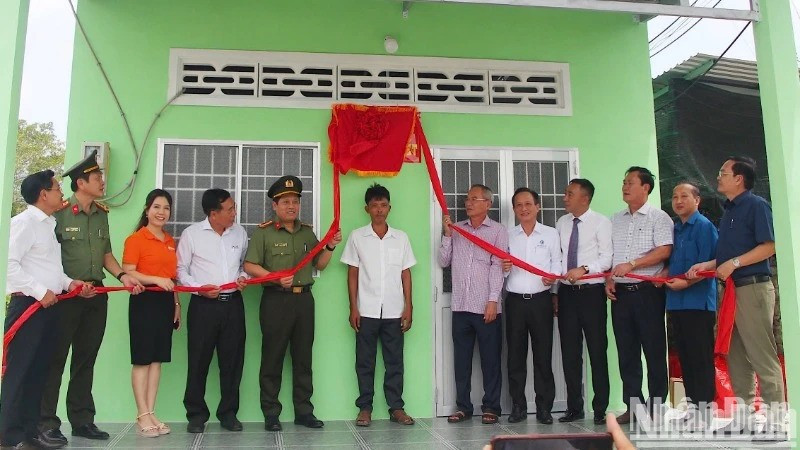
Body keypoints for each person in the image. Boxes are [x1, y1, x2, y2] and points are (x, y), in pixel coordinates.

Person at [39, 151, 144, 447]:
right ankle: (47, 423)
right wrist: (71, 284)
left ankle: (82, 420)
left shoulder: (101, 214)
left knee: (86, 359)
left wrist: (123, 276)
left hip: (96, 295)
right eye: (97, 177)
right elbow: (48, 259)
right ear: (81, 183)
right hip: (66, 296)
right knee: (56, 360)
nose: (102, 182)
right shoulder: (58, 214)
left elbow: (106, 254)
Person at [243, 175, 342, 432]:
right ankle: (271, 414)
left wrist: (330, 246)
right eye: (285, 202)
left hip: (304, 301)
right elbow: (250, 265)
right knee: (272, 358)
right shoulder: (264, 233)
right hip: (275, 301)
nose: (291, 206)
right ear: (274, 206)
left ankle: (304, 412)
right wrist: (274, 277)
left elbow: (320, 264)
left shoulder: (307, 232)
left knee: (303, 358)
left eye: (295, 201)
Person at [688, 157, 784, 415]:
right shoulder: (729, 210)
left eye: (723, 172)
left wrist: (735, 263)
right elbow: (729, 255)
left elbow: (769, 246)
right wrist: (707, 264)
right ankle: (744, 416)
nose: (718, 177)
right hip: (731, 290)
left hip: (753, 288)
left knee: (761, 354)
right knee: (736, 354)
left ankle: (776, 418)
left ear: (739, 179)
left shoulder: (756, 206)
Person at [2, 170, 89, 450]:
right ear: (43, 194)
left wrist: (69, 283)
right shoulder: (24, 223)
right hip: (28, 307)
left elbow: (50, 270)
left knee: (40, 370)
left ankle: (31, 431)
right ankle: (9, 435)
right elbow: (8, 265)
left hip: (49, 306)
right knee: (20, 370)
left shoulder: (49, 225)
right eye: (56, 188)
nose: (61, 192)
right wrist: (40, 291)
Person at [340, 183, 416, 427]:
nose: (379, 210)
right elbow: (352, 273)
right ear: (367, 209)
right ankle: (365, 408)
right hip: (366, 309)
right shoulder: (357, 237)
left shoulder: (401, 238)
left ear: (389, 208)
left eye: (383, 205)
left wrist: (409, 306)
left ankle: (396, 408)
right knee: (365, 362)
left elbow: (405, 273)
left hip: (394, 309)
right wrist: (353, 307)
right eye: (375, 205)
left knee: (395, 362)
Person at [177, 189, 249, 433]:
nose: (234, 213)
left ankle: (228, 414)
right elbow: (180, 270)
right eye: (230, 209)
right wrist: (199, 289)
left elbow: (244, 265)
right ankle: (196, 415)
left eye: (234, 207)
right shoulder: (192, 234)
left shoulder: (239, 232)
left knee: (232, 362)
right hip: (203, 307)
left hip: (233, 305)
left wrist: (243, 277)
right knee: (198, 360)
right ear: (213, 213)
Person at [605, 166, 673, 424]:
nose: (625, 187)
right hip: (620, 295)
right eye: (624, 182)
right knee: (627, 352)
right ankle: (633, 406)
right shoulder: (616, 219)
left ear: (645, 187)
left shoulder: (659, 217)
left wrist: (633, 264)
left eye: (630, 182)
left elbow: (664, 250)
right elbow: (611, 255)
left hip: (648, 293)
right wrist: (609, 279)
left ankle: (656, 406)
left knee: (654, 350)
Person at [438, 184, 508, 425]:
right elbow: (443, 261)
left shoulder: (497, 231)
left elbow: (498, 267)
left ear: (488, 204)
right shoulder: (457, 229)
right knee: (462, 361)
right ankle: (463, 407)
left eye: (474, 199)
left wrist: (493, 300)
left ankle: (492, 407)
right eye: (467, 199)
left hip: (486, 306)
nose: (468, 203)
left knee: (490, 360)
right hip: (460, 306)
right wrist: (447, 234)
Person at [121, 189, 180, 438]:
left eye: (166, 208)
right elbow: (128, 271)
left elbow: (172, 278)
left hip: (165, 303)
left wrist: (176, 304)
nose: (161, 212)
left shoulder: (170, 241)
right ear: (147, 210)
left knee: (157, 360)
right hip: (144, 301)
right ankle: (142, 414)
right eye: (157, 207)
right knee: (143, 359)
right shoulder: (136, 239)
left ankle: (151, 412)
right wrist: (155, 279)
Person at [501, 188, 561, 425]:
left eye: (528, 204)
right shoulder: (508, 235)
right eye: (518, 205)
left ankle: (544, 408)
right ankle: (518, 407)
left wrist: (553, 278)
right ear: (514, 209)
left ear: (538, 206)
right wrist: (504, 269)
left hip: (541, 301)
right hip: (515, 301)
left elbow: (557, 263)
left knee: (543, 356)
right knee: (515, 356)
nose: (523, 209)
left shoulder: (551, 234)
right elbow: (499, 266)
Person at [554, 179, 613, 426]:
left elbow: (607, 258)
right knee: (570, 353)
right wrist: (554, 289)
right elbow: (558, 258)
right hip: (567, 294)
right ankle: (574, 407)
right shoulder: (562, 223)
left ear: (585, 198)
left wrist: (585, 269)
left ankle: (600, 408)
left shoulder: (601, 222)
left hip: (591, 294)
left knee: (597, 351)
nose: (565, 198)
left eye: (570, 194)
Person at [663, 183, 718, 413]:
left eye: (684, 196)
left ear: (697, 200)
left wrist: (685, 283)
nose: (678, 201)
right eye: (675, 196)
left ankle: (706, 407)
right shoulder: (675, 229)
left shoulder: (704, 226)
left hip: (698, 303)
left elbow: (711, 264)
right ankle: (693, 405)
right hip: (676, 303)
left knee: (700, 356)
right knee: (685, 355)